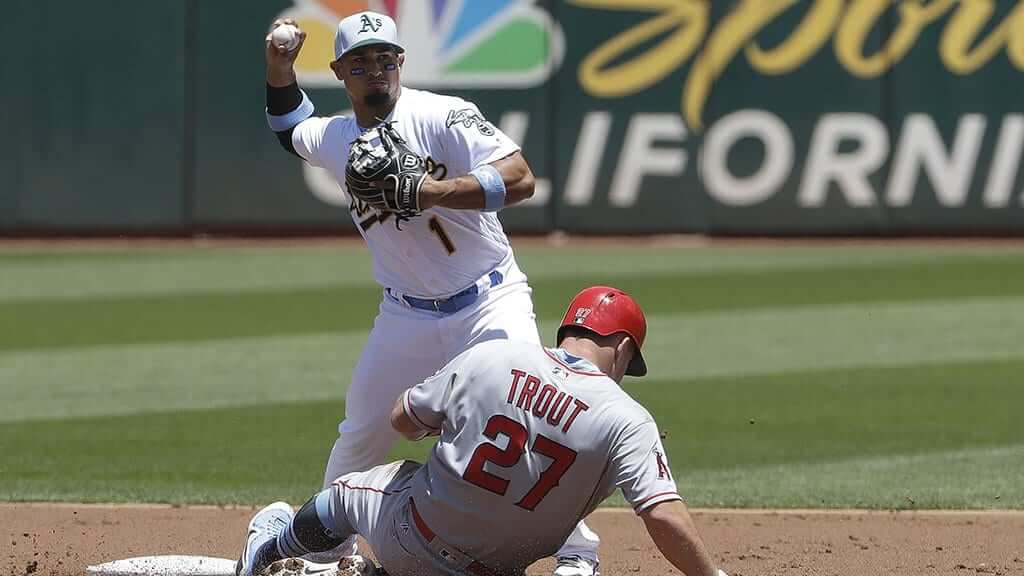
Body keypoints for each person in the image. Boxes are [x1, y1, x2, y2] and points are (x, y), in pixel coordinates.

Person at [264, 10, 601, 575]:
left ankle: (577, 555)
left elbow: (520, 178)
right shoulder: (337, 136)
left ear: (400, 63)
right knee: (362, 434)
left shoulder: (442, 114)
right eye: (362, 62)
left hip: (490, 300)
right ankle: (328, 554)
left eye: (386, 59)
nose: (377, 71)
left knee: (522, 424)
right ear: (341, 72)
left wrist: (434, 191)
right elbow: (288, 126)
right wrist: (278, 66)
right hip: (405, 316)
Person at [235, 286, 729, 576]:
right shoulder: (629, 419)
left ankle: (268, 551)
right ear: (622, 349)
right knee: (577, 539)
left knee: (347, 492)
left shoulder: (493, 356)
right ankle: (577, 567)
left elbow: (402, 420)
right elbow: (664, 516)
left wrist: (452, 423)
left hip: (409, 545)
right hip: (497, 570)